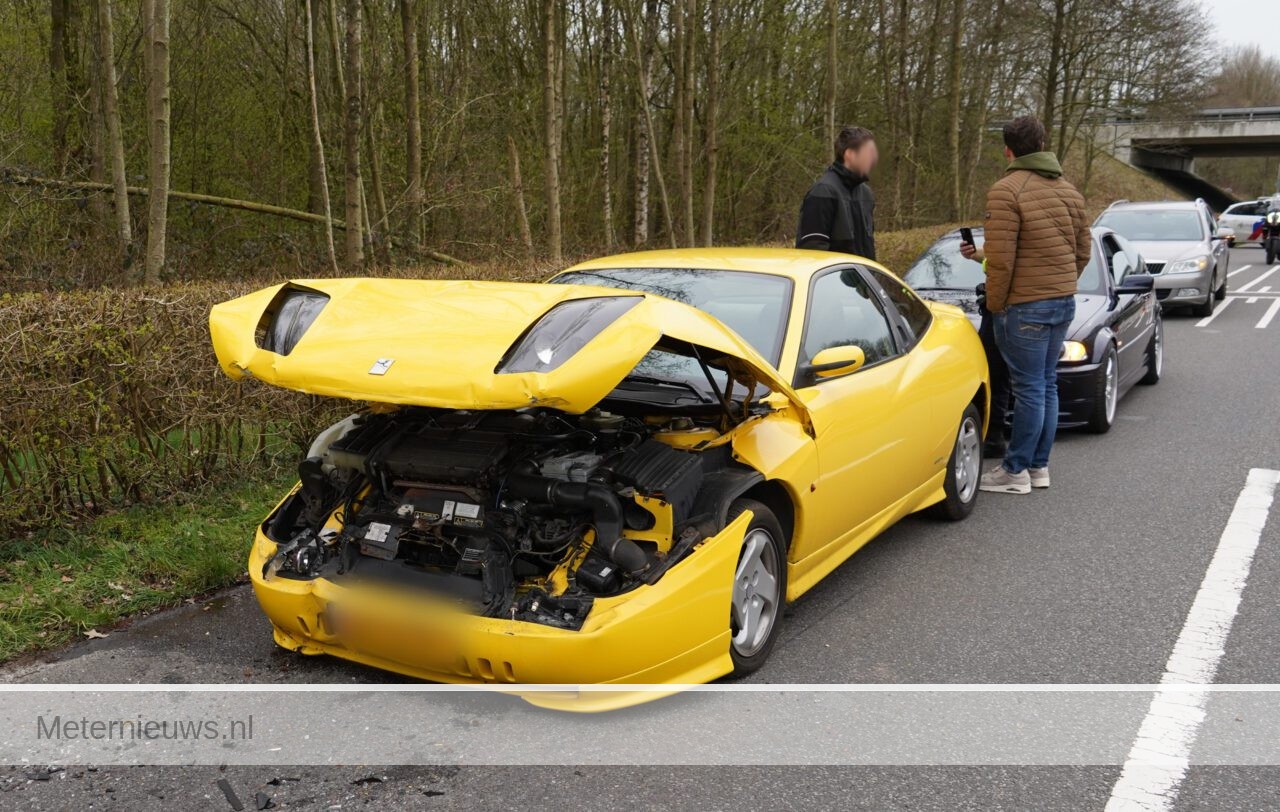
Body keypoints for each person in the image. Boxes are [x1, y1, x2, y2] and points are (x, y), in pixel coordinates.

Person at [961, 115, 1090, 495]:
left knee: (1030, 387)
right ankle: (1038, 467)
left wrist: (998, 304)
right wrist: (1061, 284)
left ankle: (1014, 471)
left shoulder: (1007, 190)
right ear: (1044, 143)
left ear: (1008, 149)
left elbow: (1002, 260)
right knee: (1045, 384)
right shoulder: (1069, 192)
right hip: (1062, 302)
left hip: (1024, 307)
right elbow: (1083, 251)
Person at [795, 126, 879, 259]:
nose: (873, 159)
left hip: (860, 278)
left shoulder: (866, 194)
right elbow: (812, 253)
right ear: (850, 154)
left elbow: (868, 249)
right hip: (833, 279)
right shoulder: (822, 192)